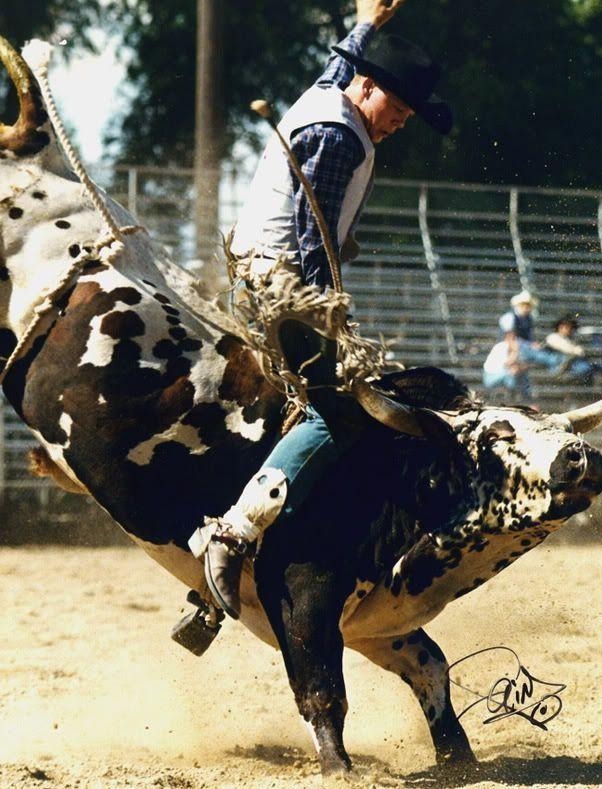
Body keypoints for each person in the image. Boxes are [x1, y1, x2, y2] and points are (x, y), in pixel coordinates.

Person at [195, 0, 453, 619]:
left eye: (410, 115)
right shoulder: (339, 138)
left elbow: (337, 63)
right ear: (369, 87)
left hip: (255, 278)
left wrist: (369, 23)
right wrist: (337, 329)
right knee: (339, 414)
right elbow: (314, 243)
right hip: (283, 291)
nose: (400, 123)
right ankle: (231, 537)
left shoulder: (330, 97)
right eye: (398, 109)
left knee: (305, 413)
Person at [544, 314, 602, 385]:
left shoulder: (570, 339)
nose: (568, 329)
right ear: (559, 327)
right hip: (563, 366)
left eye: (570, 327)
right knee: (586, 368)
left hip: (575, 364)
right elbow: (569, 350)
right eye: (565, 326)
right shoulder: (553, 337)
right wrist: (576, 350)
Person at [483, 330, 532, 401]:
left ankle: (526, 397)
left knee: (521, 373)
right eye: (513, 339)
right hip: (491, 377)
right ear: (507, 338)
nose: (515, 341)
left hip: (501, 374)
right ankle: (512, 398)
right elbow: (508, 363)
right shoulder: (502, 346)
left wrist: (522, 367)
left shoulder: (510, 349)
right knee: (512, 373)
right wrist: (515, 351)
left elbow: (521, 365)